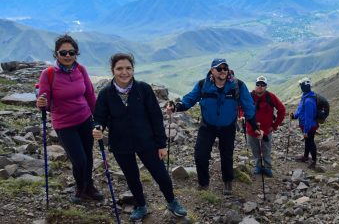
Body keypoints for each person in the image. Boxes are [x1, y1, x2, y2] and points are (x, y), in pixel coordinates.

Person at [92, 53, 187, 221]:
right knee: (131, 176)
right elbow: (99, 117)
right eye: (119, 68)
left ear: (133, 69)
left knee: (161, 175)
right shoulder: (106, 93)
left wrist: (161, 144)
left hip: (147, 141)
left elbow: (155, 117)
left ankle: (172, 202)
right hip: (121, 144)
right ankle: (141, 205)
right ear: (112, 70)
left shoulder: (143, 89)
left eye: (128, 68)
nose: (124, 72)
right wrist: (98, 127)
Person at [168, 58, 261, 195]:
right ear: (212, 71)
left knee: (227, 155)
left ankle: (228, 181)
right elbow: (190, 99)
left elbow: (248, 106)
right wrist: (177, 107)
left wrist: (254, 126)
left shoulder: (237, 85)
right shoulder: (203, 85)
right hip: (207, 126)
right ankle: (204, 183)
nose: (223, 71)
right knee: (200, 155)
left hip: (228, 126)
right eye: (219, 68)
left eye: (225, 68)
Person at [36, 34, 103, 203]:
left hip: (85, 119)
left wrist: (98, 118)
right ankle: (80, 187)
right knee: (79, 159)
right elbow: (46, 102)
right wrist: (41, 103)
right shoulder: (48, 74)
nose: (67, 56)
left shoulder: (81, 70)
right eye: (63, 53)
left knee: (87, 156)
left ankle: (89, 186)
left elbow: (89, 95)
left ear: (76, 54)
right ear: (56, 54)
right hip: (64, 124)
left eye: (71, 52)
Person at [240, 76, 286, 177]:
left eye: (263, 85)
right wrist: (242, 116)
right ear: (255, 85)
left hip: (266, 130)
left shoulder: (271, 97)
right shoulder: (249, 96)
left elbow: (282, 110)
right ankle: (258, 166)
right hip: (251, 129)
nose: (260, 87)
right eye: (258, 84)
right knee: (255, 149)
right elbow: (241, 107)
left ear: (266, 87)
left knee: (266, 150)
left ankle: (267, 168)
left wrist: (274, 126)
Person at [290, 77, 320, 170]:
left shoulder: (308, 101)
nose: (301, 88)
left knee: (310, 142)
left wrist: (306, 131)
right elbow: (300, 110)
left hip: (309, 126)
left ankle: (314, 162)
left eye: (302, 86)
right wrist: (294, 116)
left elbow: (308, 118)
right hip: (306, 125)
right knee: (307, 141)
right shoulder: (305, 96)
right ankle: (306, 156)